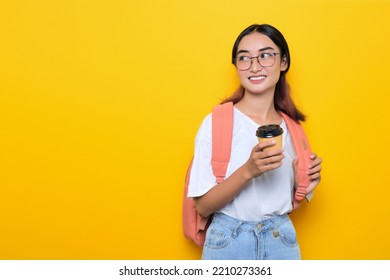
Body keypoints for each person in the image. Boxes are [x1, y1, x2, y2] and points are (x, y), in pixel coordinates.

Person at [187, 23, 323, 260]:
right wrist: (249, 170)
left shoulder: (293, 128)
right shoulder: (216, 123)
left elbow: (293, 196)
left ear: (283, 62)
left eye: (266, 55)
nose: (254, 66)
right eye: (244, 58)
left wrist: (307, 182)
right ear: (236, 66)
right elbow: (203, 207)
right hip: (228, 242)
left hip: (282, 241)